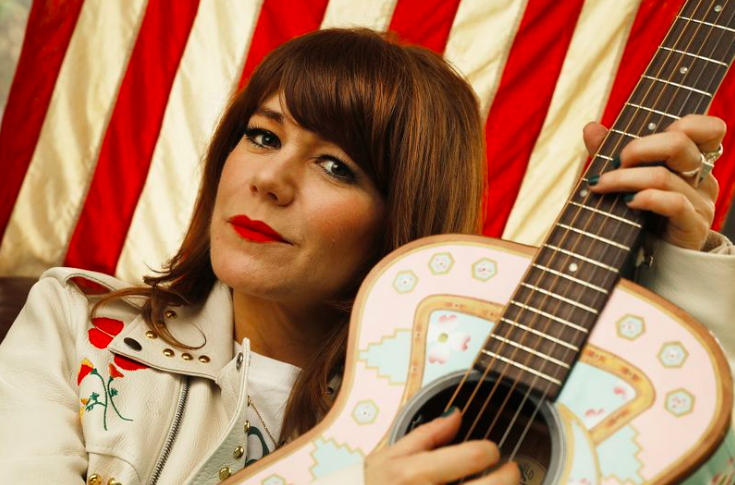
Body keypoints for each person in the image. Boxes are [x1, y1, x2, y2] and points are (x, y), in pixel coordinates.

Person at [0, 28, 732, 485]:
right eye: (263, 135)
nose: (270, 179)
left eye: (336, 166)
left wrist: (683, 267)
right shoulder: (77, 323)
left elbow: (676, 454)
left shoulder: (481, 409)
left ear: (403, 217)